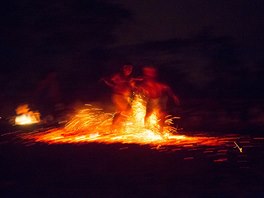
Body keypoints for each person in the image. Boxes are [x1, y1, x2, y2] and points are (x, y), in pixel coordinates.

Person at [139, 66, 180, 132]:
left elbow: (167, 87)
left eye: (151, 72)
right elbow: (140, 86)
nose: (150, 73)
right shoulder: (144, 81)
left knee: (162, 114)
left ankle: (160, 130)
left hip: (161, 99)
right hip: (152, 100)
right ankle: (145, 128)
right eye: (148, 72)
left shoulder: (158, 82)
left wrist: (174, 96)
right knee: (148, 114)